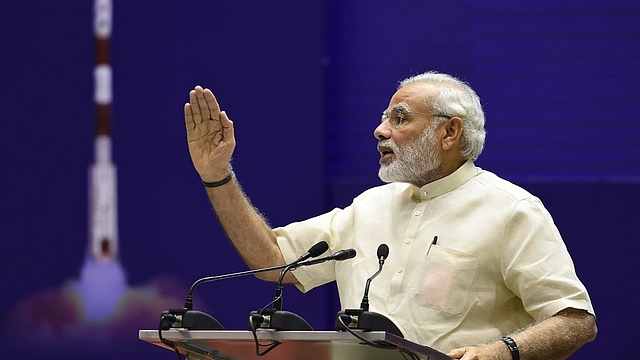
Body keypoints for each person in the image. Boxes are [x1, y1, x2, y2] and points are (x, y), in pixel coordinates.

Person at [183, 71, 597, 359]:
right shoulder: (371, 206)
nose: (380, 130)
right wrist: (217, 175)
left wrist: (502, 352)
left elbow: (576, 321)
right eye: (383, 118)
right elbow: (273, 260)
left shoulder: (512, 210)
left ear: (450, 133)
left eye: (399, 119)